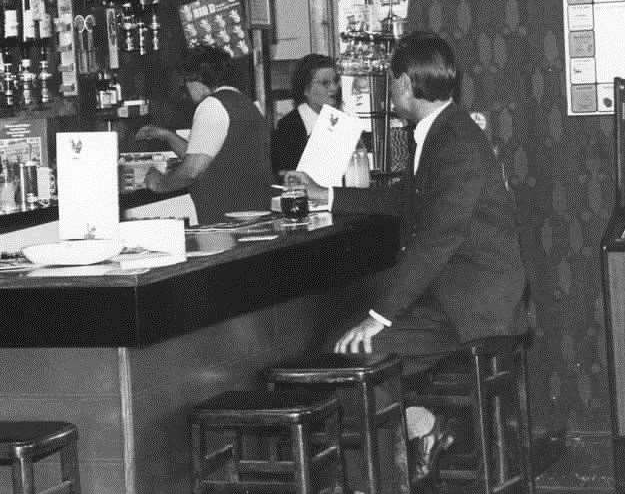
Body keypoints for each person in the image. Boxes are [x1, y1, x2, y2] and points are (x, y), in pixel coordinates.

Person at [290, 32, 527, 471]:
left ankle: (384, 491)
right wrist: (327, 195)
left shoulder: (452, 140)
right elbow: (407, 198)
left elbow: (437, 239)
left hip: (473, 309)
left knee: (354, 350)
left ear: (402, 85)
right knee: (356, 348)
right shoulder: (442, 130)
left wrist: (378, 315)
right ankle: (419, 431)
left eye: (391, 83)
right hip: (457, 298)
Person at [135, 45, 272, 223]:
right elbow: (206, 155)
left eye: (186, 82)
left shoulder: (212, 106)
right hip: (250, 214)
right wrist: (166, 135)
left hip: (225, 220)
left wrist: (159, 184)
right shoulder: (243, 102)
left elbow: (192, 170)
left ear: (196, 81)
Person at [271, 53, 342, 174]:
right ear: (305, 89)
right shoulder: (287, 129)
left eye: (335, 81)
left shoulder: (341, 123)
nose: (334, 88)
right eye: (325, 83)